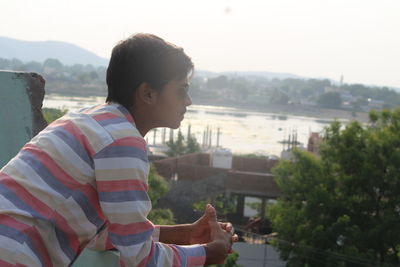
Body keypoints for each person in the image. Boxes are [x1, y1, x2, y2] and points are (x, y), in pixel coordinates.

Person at [0, 33, 237, 266]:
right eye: (181, 90)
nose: (188, 101)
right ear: (148, 93)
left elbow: (100, 234)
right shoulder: (121, 140)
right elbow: (140, 258)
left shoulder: (89, 120)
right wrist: (207, 254)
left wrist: (185, 235)